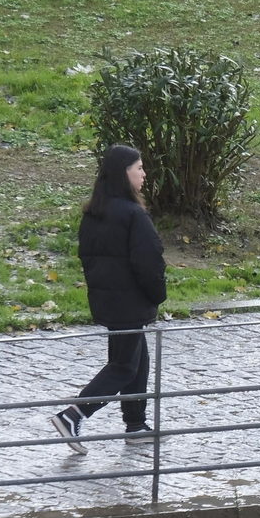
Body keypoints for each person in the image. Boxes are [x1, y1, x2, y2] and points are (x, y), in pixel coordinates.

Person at [49, 144, 167, 454]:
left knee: (138, 359)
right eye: (139, 168)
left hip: (108, 302)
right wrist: (158, 295)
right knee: (123, 367)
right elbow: (149, 262)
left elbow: (89, 258)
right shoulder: (133, 215)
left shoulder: (94, 212)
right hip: (129, 303)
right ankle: (73, 415)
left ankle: (136, 425)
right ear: (123, 174)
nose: (144, 174)